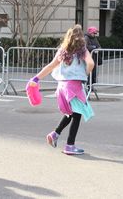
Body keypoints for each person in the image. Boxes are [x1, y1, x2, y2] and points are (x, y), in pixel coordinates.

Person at [29, 24, 95, 155]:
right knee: (76, 116)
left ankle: (55, 134)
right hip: (73, 87)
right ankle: (70, 145)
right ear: (81, 37)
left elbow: (50, 66)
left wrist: (36, 79)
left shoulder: (62, 51)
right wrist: (84, 74)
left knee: (71, 113)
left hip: (62, 87)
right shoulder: (82, 50)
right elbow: (91, 63)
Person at [84, 26, 101, 90]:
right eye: (93, 33)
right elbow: (85, 47)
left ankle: (91, 85)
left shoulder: (94, 38)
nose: (94, 34)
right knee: (89, 72)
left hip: (94, 58)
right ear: (90, 32)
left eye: (95, 33)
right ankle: (88, 86)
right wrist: (93, 47)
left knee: (94, 73)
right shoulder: (86, 38)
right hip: (88, 58)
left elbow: (99, 46)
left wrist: (98, 49)